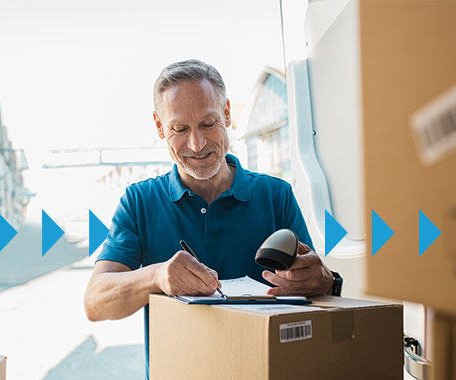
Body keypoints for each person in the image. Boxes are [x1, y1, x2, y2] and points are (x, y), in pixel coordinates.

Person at [84, 59, 340, 378]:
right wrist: (157, 277)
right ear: (160, 127)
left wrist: (326, 281)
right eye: (180, 129)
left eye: (208, 123)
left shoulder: (276, 196)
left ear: (228, 114)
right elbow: (95, 302)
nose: (197, 144)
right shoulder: (139, 202)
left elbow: (317, 287)